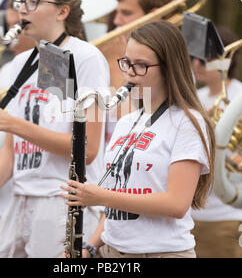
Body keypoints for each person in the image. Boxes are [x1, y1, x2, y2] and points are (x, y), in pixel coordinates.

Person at [0, 0, 110, 258]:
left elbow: (87, 150)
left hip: (61, 200)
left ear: (62, 11)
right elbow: (12, 148)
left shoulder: (85, 57)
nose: (21, 10)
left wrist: (13, 124)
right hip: (20, 198)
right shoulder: (18, 64)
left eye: (33, 2)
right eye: (21, 1)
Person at [61, 20, 215, 258]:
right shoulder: (127, 122)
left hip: (161, 252)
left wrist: (100, 196)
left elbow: (176, 204)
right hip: (112, 250)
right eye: (127, 63)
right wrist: (90, 247)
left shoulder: (187, 122)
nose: (130, 73)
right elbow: (117, 202)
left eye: (141, 65)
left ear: (168, 68)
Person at [190, 26, 242, 258]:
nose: (196, 65)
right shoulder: (196, 97)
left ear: (226, 61)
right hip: (194, 213)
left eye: (204, 59)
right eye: (194, 58)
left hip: (229, 216)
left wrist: (213, 134)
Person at [0, 0, 35, 258]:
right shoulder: (10, 67)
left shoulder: (78, 59)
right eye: (14, 8)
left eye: (27, 6)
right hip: (9, 201)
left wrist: (9, 123)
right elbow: (11, 143)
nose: (13, 18)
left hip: (45, 204)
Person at [99, 0, 175, 142]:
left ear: (154, 15)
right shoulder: (114, 49)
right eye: (117, 12)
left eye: (126, 13)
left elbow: (130, 127)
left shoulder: (167, 64)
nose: (117, 21)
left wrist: (116, 68)